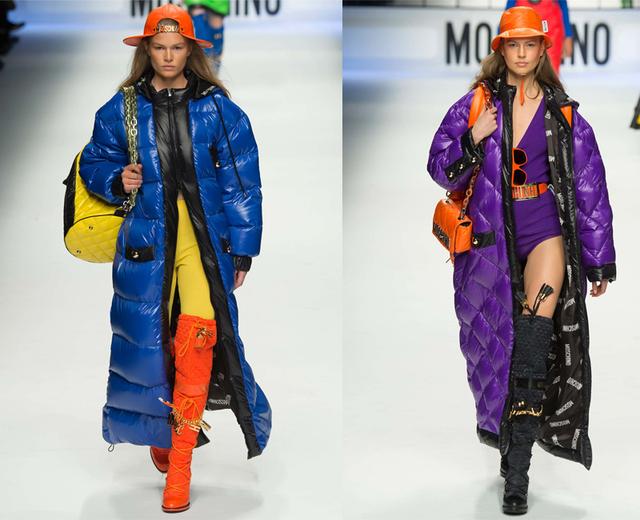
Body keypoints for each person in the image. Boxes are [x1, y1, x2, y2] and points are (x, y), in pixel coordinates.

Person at [78, 3, 271, 514]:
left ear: (191, 50)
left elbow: (241, 181)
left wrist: (244, 248)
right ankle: (165, 433)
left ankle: (181, 461)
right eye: (159, 47)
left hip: (202, 247)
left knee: (199, 338)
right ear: (147, 50)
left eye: (177, 47)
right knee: (153, 343)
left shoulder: (218, 109)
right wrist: (116, 178)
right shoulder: (122, 108)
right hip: (146, 244)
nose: (167, 56)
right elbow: (93, 161)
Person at [427, 6, 615, 516]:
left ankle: (518, 472)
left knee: (532, 347)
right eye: (514, 44)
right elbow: (438, 167)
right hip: (491, 243)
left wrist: (599, 260)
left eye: (531, 44)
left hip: (545, 235)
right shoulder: (476, 105)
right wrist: (473, 138)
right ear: (501, 49)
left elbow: (589, 188)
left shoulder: (563, 114)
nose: (523, 53)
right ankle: (509, 446)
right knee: (496, 349)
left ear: (542, 50)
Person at [505, 0, 573, 74]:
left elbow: (563, 3)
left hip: (552, 31)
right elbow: (508, 10)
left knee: (550, 71)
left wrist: (568, 35)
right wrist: (502, 38)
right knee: (522, 71)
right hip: (524, 27)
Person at [183, 0, 230, 73]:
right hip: (199, 4)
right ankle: (206, 72)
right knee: (203, 36)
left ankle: (210, 71)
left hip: (216, 5)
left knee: (214, 37)